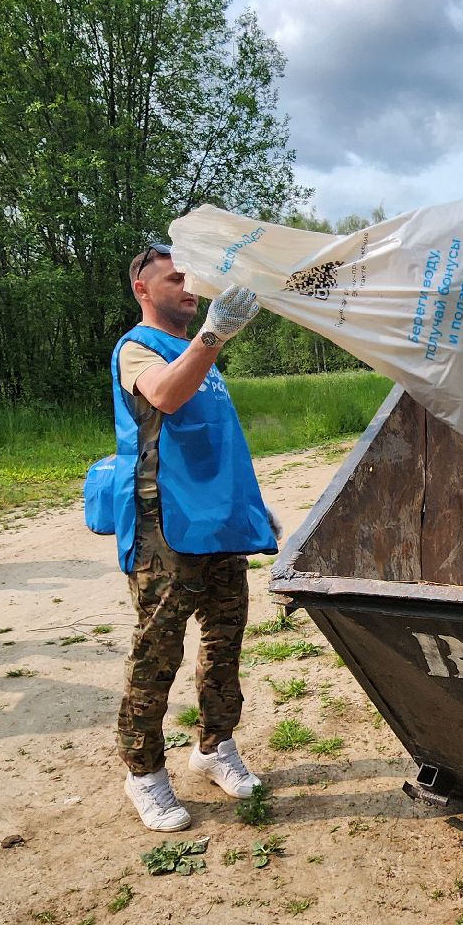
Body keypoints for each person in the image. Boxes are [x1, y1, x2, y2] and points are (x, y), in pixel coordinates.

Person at [111, 243, 277, 832]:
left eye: (193, 279)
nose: (189, 286)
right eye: (175, 277)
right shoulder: (138, 348)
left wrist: (251, 510)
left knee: (224, 642)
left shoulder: (197, 352)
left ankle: (215, 748)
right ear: (142, 287)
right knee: (158, 650)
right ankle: (145, 775)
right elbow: (165, 396)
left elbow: (219, 446)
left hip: (219, 526)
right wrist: (214, 334)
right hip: (166, 527)